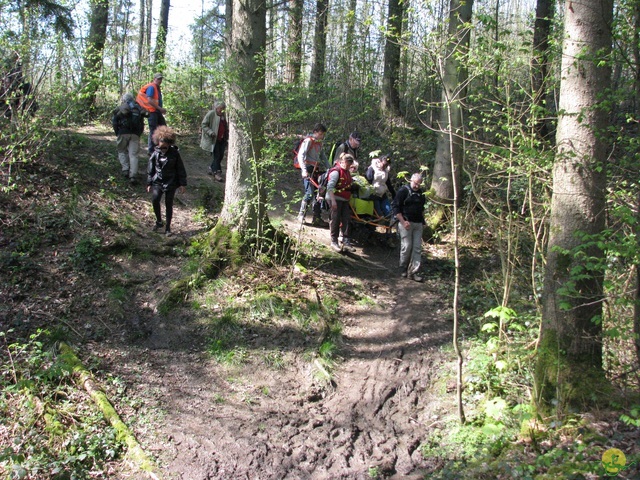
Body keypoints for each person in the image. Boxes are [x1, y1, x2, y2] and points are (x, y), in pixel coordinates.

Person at [146, 126, 187, 237]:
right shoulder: (155, 153)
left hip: (171, 182)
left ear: (169, 144)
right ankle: (159, 221)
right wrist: (149, 183)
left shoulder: (175, 154)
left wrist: (183, 184)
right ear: (158, 143)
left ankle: (168, 228)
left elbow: (180, 168)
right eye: (161, 146)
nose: (163, 149)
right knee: (155, 200)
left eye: (165, 147)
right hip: (158, 181)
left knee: (169, 204)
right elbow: (151, 169)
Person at [391, 173, 426, 282]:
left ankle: (413, 271)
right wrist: (402, 221)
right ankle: (403, 267)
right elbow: (395, 207)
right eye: (415, 183)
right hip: (406, 222)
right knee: (407, 246)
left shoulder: (421, 194)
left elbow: (421, 209)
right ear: (411, 181)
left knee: (417, 248)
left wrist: (423, 222)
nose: (417, 186)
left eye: (419, 184)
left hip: (418, 223)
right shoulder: (403, 191)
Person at [296, 123, 330, 227]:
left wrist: (330, 168)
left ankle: (317, 218)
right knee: (309, 193)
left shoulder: (319, 143)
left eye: (323, 134)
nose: (322, 136)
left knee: (318, 194)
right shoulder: (308, 141)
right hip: (308, 170)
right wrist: (303, 170)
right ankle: (301, 215)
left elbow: (323, 156)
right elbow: (301, 155)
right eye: (320, 134)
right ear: (315, 132)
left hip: (316, 170)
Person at [111, 92, 146, 185]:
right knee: (133, 155)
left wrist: (117, 133)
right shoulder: (137, 108)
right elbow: (142, 123)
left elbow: (114, 122)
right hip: (135, 134)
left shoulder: (121, 108)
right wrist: (139, 134)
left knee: (122, 151)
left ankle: (125, 170)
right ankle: (133, 175)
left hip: (123, 132)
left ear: (124, 99)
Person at [327, 153, 355, 253]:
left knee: (346, 219)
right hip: (335, 198)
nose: (348, 167)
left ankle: (346, 241)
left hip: (345, 200)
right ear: (343, 162)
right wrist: (333, 201)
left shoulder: (347, 172)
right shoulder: (336, 172)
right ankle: (334, 241)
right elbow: (330, 188)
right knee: (335, 219)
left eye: (350, 165)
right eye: (347, 164)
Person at [137, 73, 167, 155]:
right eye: (158, 79)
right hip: (152, 112)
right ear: (154, 79)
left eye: (161, 79)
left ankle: (162, 146)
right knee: (153, 130)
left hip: (156, 111)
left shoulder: (157, 88)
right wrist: (160, 108)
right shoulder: (152, 87)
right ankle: (151, 150)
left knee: (163, 128)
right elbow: (149, 100)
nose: (160, 81)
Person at [200, 101, 228, 182]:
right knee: (217, 156)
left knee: (221, 155)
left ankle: (211, 168)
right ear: (216, 108)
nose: (221, 110)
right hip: (214, 139)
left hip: (222, 139)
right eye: (220, 108)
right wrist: (210, 132)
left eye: (223, 109)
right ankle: (216, 173)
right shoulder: (211, 114)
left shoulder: (223, 116)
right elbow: (204, 125)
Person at [365, 153, 396, 217]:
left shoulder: (386, 172)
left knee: (389, 212)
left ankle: (389, 225)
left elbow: (388, 183)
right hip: (374, 194)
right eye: (384, 164)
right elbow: (368, 181)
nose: (385, 166)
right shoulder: (372, 169)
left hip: (383, 194)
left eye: (387, 165)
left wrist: (394, 194)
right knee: (378, 214)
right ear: (380, 161)